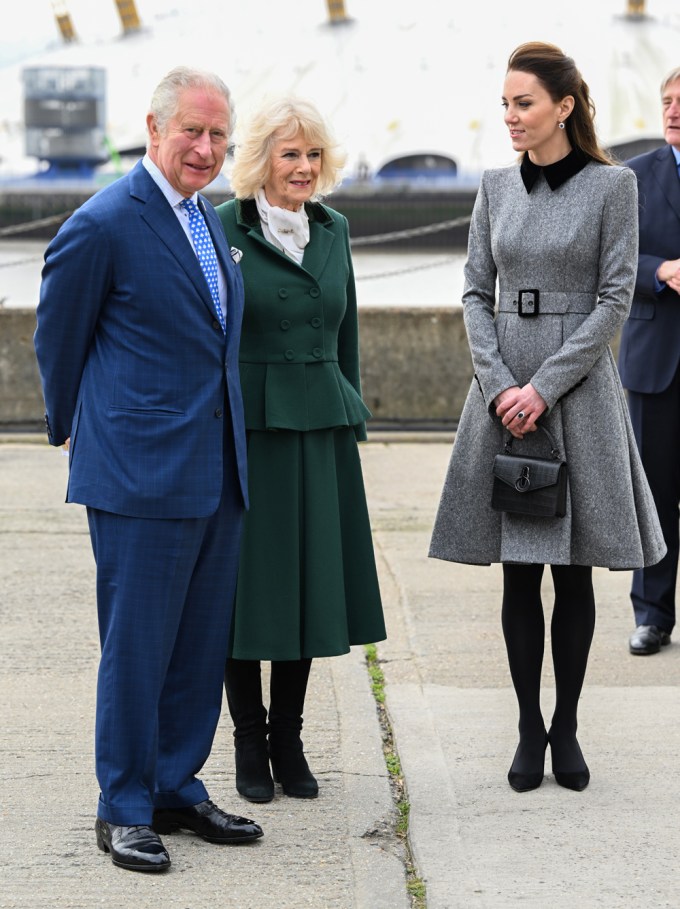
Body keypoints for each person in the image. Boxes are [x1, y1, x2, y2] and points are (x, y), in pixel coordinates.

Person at [34, 66, 264, 872]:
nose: (204, 149)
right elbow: (56, 340)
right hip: (138, 475)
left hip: (216, 468)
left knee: (199, 645)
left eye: (217, 136)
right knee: (136, 646)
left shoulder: (207, 218)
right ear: (154, 128)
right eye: (191, 133)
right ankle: (124, 802)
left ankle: (175, 782)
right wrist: (74, 428)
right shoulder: (104, 222)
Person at [428, 42, 666, 793]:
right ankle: (528, 725)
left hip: (580, 392)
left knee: (575, 573)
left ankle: (567, 726)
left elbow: (615, 298)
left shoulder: (613, 186)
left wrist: (546, 386)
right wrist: (502, 386)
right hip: (502, 395)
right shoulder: (495, 187)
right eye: (504, 104)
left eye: (523, 103)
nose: (510, 117)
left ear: (564, 106)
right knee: (520, 571)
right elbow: (473, 291)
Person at [216, 97, 386, 803]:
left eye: (314, 155)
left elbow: (345, 334)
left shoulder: (334, 228)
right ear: (261, 161)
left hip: (320, 428)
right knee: (245, 589)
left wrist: (352, 413)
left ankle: (289, 733)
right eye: (291, 154)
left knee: (309, 586)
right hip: (248, 429)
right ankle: (248, 739)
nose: (305, 168)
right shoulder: (220, 226)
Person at [618, 67, 680, 656]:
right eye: (667, 101)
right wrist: (659, 271)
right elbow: (609, 264)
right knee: (654, 493)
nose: (673, 110)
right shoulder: (632, 179)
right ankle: (652, 614)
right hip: (657, 360)